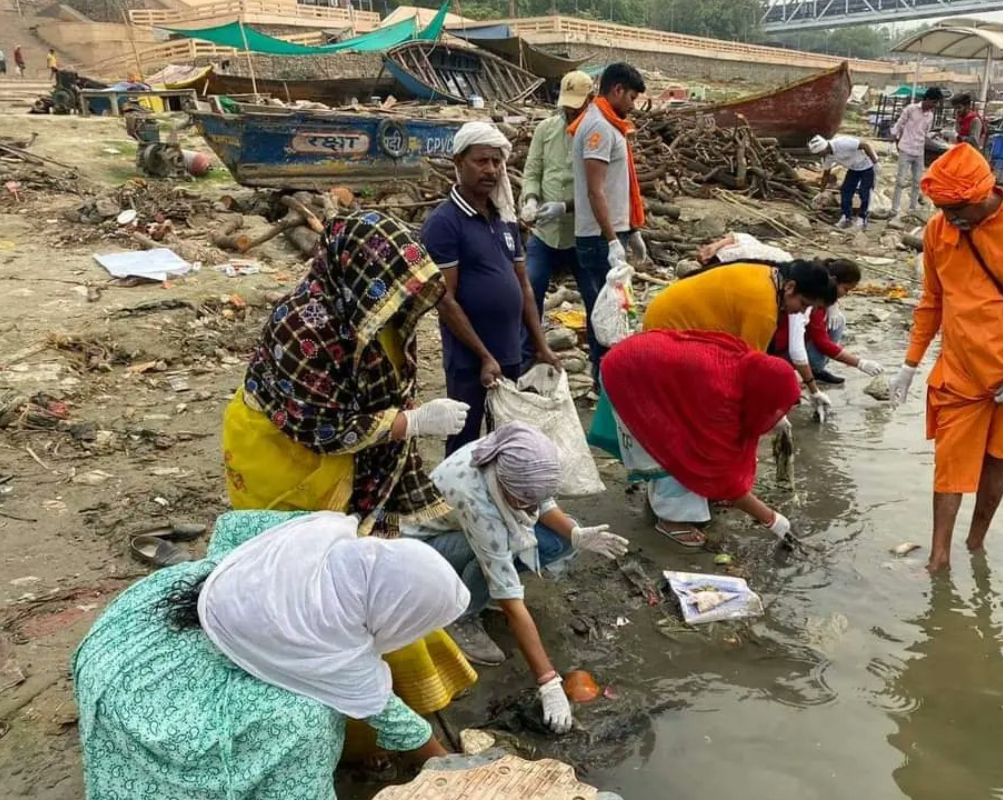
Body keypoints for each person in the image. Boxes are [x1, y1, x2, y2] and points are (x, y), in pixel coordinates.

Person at [222, 211, 478, 715]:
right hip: (284, 453)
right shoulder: (303, 327)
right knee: (301, 573)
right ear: (360, 277)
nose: (402, 303)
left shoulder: (385, 315)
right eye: (392, 290)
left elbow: (387, 387)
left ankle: (393, 667)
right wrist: (410, 423)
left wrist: (405, 421)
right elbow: (319, 426)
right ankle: (305, 681)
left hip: (353, 448)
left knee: (360, 565)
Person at [73, 510, 468, 800]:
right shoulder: (333, 653)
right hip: (146, 693)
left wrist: (253, 581)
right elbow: (381, 709)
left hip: (131, 628)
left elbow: (230, 525)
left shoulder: (326, 533)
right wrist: (444, 762)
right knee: (305, 725)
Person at [889, 144, 1003, 573]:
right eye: (942, 209)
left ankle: (976, 542)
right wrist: (910, 364)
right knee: (949, 464)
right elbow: (932, 301)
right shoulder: (938, 231)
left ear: (984, 193)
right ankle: (939, 557)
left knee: (997, 458)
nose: (950, 219)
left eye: (957, 208)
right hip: (960, 371)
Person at [404, 422, 628, 733]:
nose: (532, 508)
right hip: (421, 549)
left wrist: (575, 534)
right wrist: (548, 681)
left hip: (463, 529)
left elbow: (540, 499)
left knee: (557, 538)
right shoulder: (476, 500)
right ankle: (461, 614)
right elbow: (511, 600)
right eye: (524, 501)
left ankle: (475, 590)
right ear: (504, 485)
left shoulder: (516, 450)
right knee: (499, 556)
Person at [422, 122, 560, 457]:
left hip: (510, 352)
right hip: (470, 359)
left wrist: (540, 346)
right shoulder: (445, 223)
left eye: (496, 163)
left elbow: (523, 284)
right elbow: (444, 298)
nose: (491, 170)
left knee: (507, 436)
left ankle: (497, 503)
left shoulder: (503, 218)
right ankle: (459, 504)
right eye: (481, 161)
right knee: (465, 437)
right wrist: (484, 356)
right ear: (458, 163)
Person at [598, 330, 800, 548]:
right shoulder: (721, 397)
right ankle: (671, 520)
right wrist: (771, 519)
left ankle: (664, 497)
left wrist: (775, 416)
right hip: (629, 374)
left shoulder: (743, 364)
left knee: (687, 444)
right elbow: (721, 474)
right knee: (682, 452)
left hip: (647, 359)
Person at [643, 258, 839, 422]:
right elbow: (750, 370)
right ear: (790, 287)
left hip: (664, 314)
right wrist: (773, 415)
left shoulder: (769, 274)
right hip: (668, 335)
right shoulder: (764, 308)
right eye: (803, 304)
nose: (801, 311)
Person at [569, 62, 647, 379]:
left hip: (612, 231)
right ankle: (607, 380)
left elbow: (615, 187)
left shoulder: (610, 124)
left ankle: (605, 375)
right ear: (616, 90)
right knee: (609, 313)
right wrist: (614, 239)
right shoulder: (599, 127)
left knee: (610, 308)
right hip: (601, 237)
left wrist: (631, 231)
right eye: (631, 97)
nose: (633, 105)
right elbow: (595, 190)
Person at [519, 70, 594, 322]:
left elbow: (598, 189)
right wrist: (530, 199)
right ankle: (529, 353)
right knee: (531, 288)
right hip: (545, 231)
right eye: (567, 106)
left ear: (590, 99)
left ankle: (600, 357)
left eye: (577, 107)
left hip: (581, 233)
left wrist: (564, 207)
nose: (570, 112)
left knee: (593, 295)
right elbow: (533, 170)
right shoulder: (546, 129)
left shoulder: (597, 135)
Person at [772, 258, 884, 386]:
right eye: (846, 289)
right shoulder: (809, 304)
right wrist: (859, 363)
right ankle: (812, 370)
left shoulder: (813, 297)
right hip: (780, 353)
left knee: (839, 320)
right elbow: (817, 343)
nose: (846, 294)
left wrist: (833, 305)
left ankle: (808, 370)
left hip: (784, 348)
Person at [809, 133, 880, 230]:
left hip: (867, 165)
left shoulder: (842, 143)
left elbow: (865, 145)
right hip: (853, 169)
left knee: (864, 192)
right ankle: (846, 217)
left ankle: (862, 218)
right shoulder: (828, 156)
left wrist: (875, 163)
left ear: (823, 149)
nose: (818, 156)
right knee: (845, 191)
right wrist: (821, 192)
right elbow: (826, 174)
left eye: (818, 153)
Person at [891, 87, 943, 217]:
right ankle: (894, 209)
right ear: (927, 99)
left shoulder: (930, 115)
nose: (934, 105)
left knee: (917, 181)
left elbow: (925, 133)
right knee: (900, 180)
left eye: (936, 103)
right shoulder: (911, 109)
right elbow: (899, 124)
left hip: (919, 151)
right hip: (906, 148)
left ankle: (912, 209)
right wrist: (896, 141)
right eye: (934, 102)